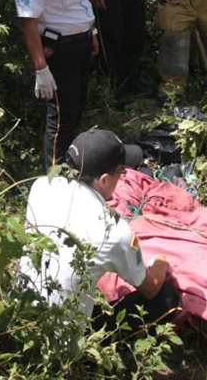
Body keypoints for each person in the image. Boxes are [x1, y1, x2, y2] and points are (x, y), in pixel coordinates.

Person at [19, 128, 181, 331]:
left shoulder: (41, 186)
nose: (122, 178)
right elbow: (150, 289)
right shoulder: (113, 230)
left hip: (23, 318)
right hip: (66, 342)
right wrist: (159, 263)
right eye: (121, 172)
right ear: (103, 179)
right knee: (167, 299)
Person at [13, 0, 99, 170]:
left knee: (74, 111)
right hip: (60, 52)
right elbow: (29, 22)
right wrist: (41, 68)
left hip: (80, 46)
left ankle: (68, 169)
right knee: (60, 120)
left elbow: (77, 0)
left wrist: (92, 33)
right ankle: (53, 177)